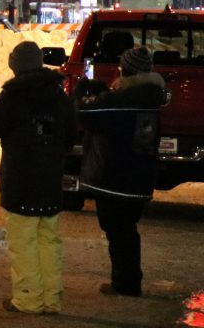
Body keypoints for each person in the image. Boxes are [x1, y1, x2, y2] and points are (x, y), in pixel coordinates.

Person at [0, 40, 78, 315]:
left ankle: (27, 299)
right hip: (50, 180)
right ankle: (51, 299)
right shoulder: (59, 96)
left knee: (23, 244)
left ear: (15, 66)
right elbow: (71, 135)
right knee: (49, 241)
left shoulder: (12, 96)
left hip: (20, 180)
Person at [74, 45, 166, 298]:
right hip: (138, 176)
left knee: (119, 231)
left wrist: (83, 92)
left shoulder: (125, 98)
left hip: (116, 179)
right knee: (126, 230)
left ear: (126, 70)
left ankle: (126, 284)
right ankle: (128, 281)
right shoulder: (149, 96)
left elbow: (85, 112)